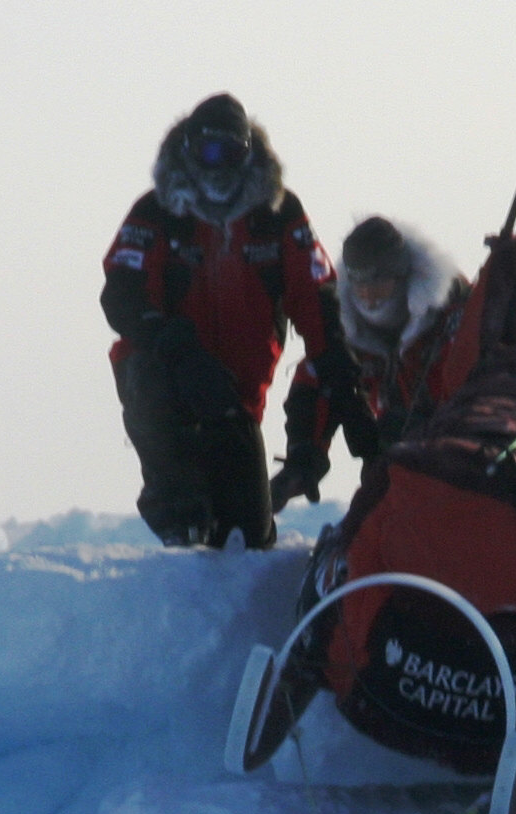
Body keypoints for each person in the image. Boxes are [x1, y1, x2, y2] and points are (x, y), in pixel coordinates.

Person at [101, 94, 363, 548]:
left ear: (249, 154)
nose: (218, 166)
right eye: (208, 152)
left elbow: (317, 299)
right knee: (146, 372)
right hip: (171, 381)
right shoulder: (156, 213)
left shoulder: (279, 214)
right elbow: (121, 293)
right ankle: (172, 502)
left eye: (231, 153)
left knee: (247, 539)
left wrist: (344, 382)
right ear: (188, 150)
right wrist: (177, 345)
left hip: (238, 400)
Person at [306, 216, 469, 477]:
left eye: (378, 282)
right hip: (394, 463)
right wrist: (304, 454)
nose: (369, 297)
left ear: (401, 276)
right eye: (360, 284)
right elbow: (315, 382)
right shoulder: (345, 327)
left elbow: (472, 384)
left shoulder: (453, 315)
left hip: (457, 461)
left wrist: (425, 427)